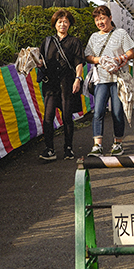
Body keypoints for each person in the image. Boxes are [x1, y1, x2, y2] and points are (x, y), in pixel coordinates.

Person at [84, 5, 134, 156]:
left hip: (119, 79)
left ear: (110, 18)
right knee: (98, 112)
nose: (100, 22)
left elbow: (131, 53)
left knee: (117, 112)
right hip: (101, 79)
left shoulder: (121, 33)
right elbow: (87, 56)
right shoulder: (94, 37)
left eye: (102, 18)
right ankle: (97, 145)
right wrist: (99, 59)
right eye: (97, 20)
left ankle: (118, 143)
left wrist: (119, 59)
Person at [38, 9, 86, 161]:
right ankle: (49, 149)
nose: (62, 24)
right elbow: (41, 61)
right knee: (48, 116)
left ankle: (68, 148)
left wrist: (78, 79)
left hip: (67, 83)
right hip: (50, 84)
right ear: (55, 24)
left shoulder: (75, 42)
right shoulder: (47, 42)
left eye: (65, 22)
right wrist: (36, 62)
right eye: (59, 22)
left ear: (70, 24)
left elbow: (79, 63)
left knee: (67, 116)